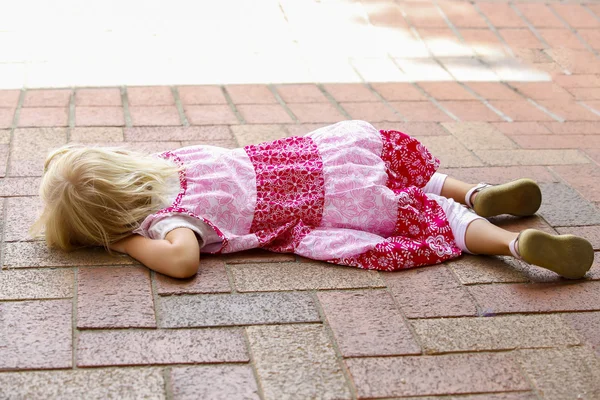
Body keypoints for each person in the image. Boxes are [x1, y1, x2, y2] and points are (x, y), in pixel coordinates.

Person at [31, 120, 594, 280]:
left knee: (435, 220)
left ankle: (513, 242)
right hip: (325, 155)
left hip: (328, 205)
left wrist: (129, 242)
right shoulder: (174, 161)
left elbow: (181, 262)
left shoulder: (170, 222)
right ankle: (479, 192)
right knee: (408, 177)